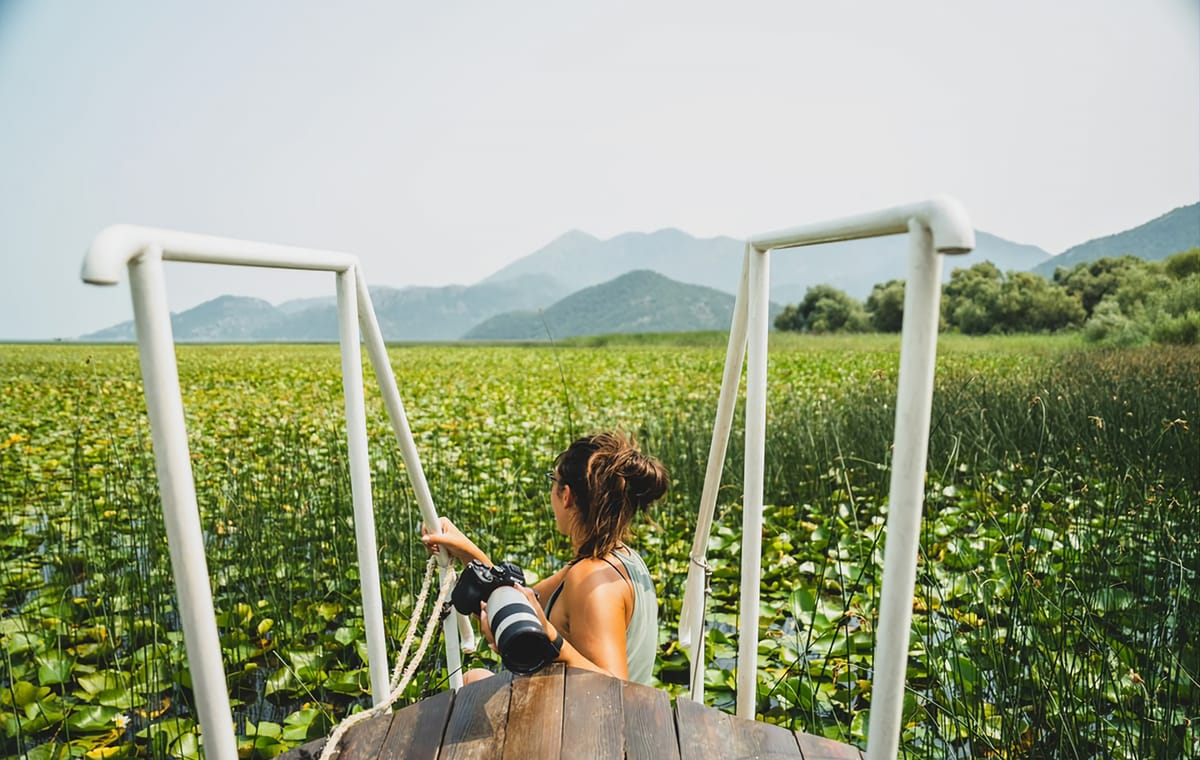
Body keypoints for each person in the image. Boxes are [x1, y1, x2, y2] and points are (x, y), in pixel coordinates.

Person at [421, 431, 668, 685]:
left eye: (553, 480)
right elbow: (517, 598)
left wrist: (552, 640)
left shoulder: (590, 580)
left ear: (566, 495)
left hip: (599, 722)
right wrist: (464, 548)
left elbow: (616, 687)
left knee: (473, 681)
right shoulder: (616, 558)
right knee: (475, 678)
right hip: (588, 712)